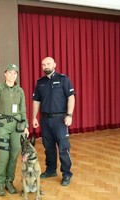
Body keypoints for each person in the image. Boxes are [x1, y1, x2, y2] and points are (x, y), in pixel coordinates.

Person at [32, 57, 75, 186]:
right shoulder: (40, 82)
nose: (46, 66)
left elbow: (71, 98)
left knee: (63, 148)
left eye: (48, 63)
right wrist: (34, 117)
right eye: (43, 64)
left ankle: (66, 174)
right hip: (45, 120)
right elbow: (36, 101)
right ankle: (51, 170)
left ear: (54, 64)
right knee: (48, 147)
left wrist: (70, 115)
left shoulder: (63, 79)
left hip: (60, 120)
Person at [0, 64, 30, 196]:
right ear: (5, 74)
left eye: (15, 73)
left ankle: (9, 182)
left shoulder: (20, 90)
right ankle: (0, 183)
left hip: (17, 127)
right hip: (3, 126)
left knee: (14, 156)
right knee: (3, 156)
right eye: (10, 73)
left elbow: (22, 110)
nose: (12, 75)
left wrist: (26, 126)